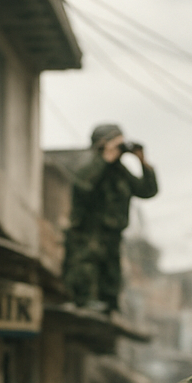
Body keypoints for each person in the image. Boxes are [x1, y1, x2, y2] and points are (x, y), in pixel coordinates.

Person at [62, 123, 158, 313]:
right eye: (115, 143)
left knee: (111, 273)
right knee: (86, 268)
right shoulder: (89, 166)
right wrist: (105, 159)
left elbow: (147, 191)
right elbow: (83, 187)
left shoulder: (120, 172)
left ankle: (108, 305)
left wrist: (143, 162)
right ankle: (85, 300)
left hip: (113, 235)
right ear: (101, 144)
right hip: (88, 234)